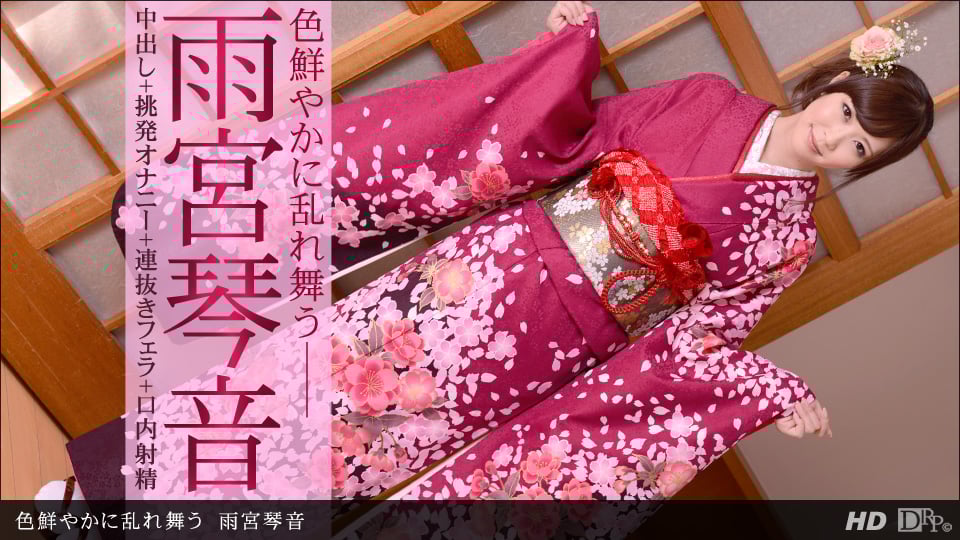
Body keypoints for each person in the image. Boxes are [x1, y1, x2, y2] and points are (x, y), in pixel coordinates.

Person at [83, 1, 931, 505]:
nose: (836, 138)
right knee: (318, 365)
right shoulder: (710, 101)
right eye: (845, 114)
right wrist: (569, 52)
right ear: (830, 86)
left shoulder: (788, 237)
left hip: (547, 347)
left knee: (380, 441)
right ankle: (121, 487)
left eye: (861, 148)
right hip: (490, 269)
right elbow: (581, 134)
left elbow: (704, 336)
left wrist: (774, 390)